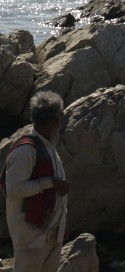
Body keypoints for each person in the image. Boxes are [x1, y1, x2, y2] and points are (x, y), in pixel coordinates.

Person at [3, 91, 70, 272]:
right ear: (55, 121)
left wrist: (61, 224)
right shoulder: (25, 151)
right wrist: (51, 182)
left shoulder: (47, 144)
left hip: (50, 233)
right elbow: (15, 189)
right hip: (31, 237)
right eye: (61, 115)